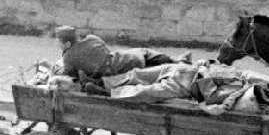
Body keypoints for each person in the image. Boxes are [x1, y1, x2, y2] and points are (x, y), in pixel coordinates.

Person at [54, 26, 190, 93]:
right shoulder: (92, 39)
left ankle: (176, 63)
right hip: (123, 61)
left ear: (67, 44)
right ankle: (175, 60)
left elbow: (67, 74)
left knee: (143, 61)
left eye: (59, 42)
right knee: (144, 53)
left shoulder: (68, 57)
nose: (58, 45)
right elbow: (106, 52)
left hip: (116, 72)